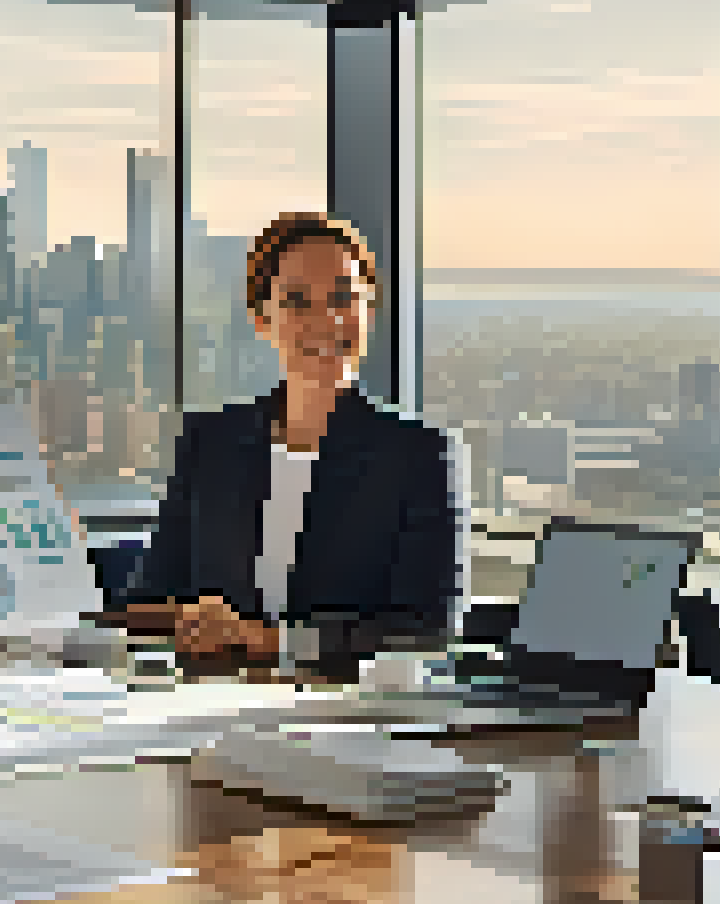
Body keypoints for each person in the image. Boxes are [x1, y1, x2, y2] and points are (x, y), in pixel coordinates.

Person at [118, 212, 463, 683]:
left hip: (348, 718)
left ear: (370, 310)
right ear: (263, 318)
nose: (325, 319)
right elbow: (150, 601)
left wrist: (270, 643)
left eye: (343, 298)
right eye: (297, 302)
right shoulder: (210, 442)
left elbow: (426, 631)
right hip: (207, 707)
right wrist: (190, 620)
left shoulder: (417, 455)